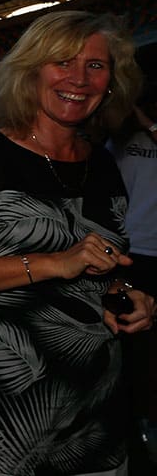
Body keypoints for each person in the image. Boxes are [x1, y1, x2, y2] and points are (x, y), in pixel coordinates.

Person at [0, 10, 154, 476]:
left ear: (112, 82)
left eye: (95, 66)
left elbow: (99, 271)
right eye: (61, 62)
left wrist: (127, 297)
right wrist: (51, 263)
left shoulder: (105, 164)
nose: (78, 79)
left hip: (95, 415)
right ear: (30, 72)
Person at [108, 80, 157, 464]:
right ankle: (137, 417)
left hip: (142, 251)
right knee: (130, 337)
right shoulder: (119, 141)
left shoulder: (132, 140)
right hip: (130, 254)